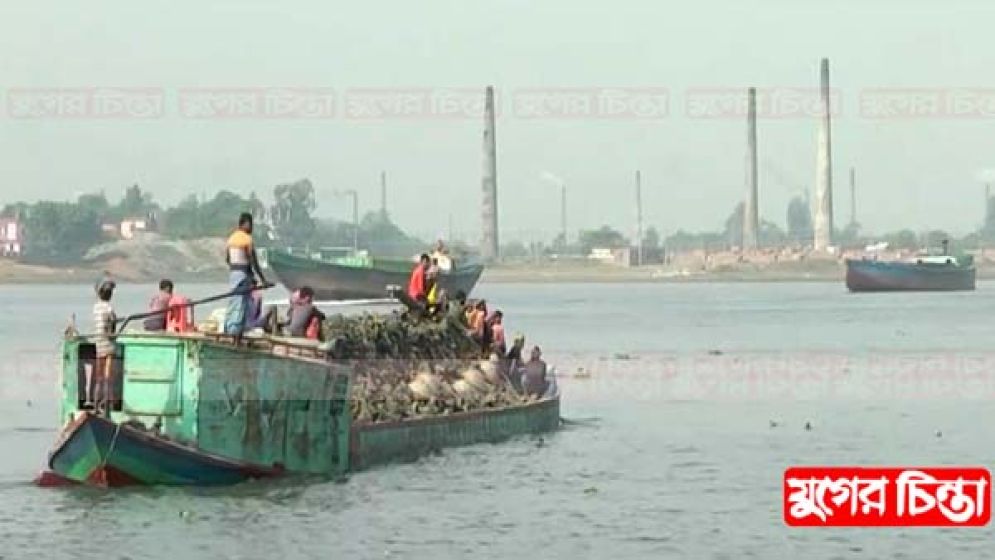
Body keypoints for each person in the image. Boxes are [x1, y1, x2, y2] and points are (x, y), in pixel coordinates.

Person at [224, 213, 269, 337]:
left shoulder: (231, 238)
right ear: (246, 224)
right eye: (251, 225)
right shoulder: (246, 239)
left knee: (234, 301)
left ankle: (229, 328)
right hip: (242, 276)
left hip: (233, 275)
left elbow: (228, 259)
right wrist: (263, 280)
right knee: (242, 303)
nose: (252, 228)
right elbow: (253, 261)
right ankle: (236, 331)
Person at [92, 280, 117, 412]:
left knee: (98, 377)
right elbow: (112, 326)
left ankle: (96, 406)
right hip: (108, 344)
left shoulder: (96, 307)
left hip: (98, 343)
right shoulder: (109, 308)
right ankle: (107, 406)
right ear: (110, 295)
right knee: (108, 377)